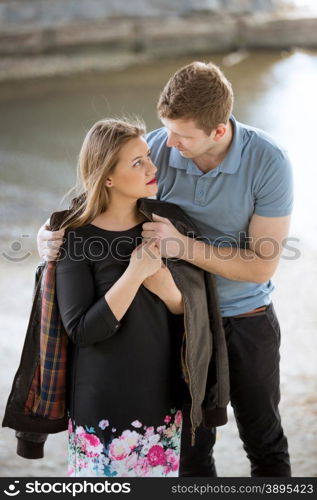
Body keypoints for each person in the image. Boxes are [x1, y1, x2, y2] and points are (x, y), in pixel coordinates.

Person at [37, 61, 293, 477]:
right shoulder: (157, 147)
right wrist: (45, 234)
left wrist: (182, 246)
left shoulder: (269, 162)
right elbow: (98, 190)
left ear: (219, 131)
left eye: (182, 136)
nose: (167, 145)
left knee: (264, 440)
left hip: (244, 320)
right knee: (190, 453)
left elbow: (261, 266)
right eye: (167, 130)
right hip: (181, 321)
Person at [21, 116, 229, 477]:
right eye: (138, 162)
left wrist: (167, 289)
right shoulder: (76, 238)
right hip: (102, 405)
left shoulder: (167, 224)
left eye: (148, 156)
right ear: (108, 177)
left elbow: (194, 312)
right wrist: (134, 274)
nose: (152, 167)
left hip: (162, 401)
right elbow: (83, 331)